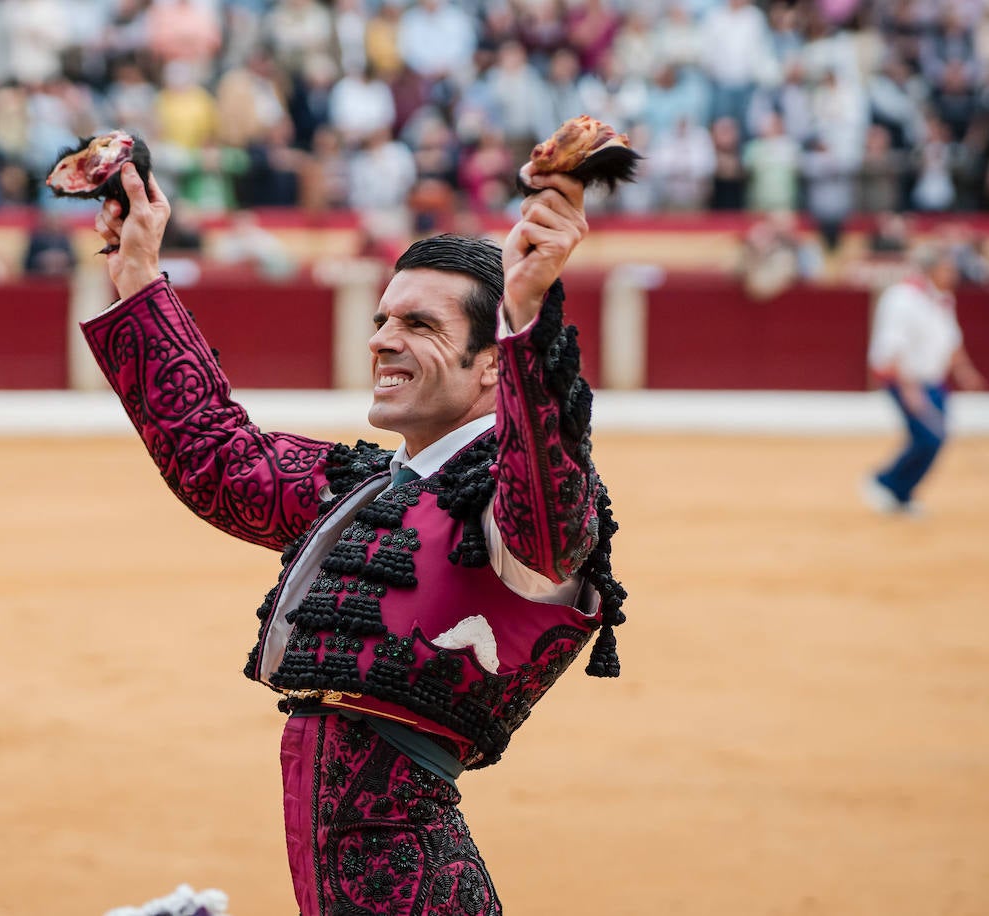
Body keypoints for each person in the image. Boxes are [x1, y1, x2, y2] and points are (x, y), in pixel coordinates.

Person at [84, 157, 626, 914]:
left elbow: (547, 500)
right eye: (382, 320)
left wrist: (530, 321)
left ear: (491, 370)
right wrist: (140, 274)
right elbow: (215, 455)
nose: (383, 341)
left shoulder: (516, 514)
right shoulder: (365, 489)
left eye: (419, 324)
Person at [862, 248, 987, 516]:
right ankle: (887, 483)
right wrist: (909, 389)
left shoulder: (942, 298)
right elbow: (893, 347)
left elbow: (951, 339)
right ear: (931, 270)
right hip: (904, 380)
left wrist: (965, 371)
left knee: (937, 437)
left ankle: (900, 492)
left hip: (932, 380)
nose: (953, 275)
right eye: (947, 269)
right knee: (929, 437)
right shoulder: (902, 298)